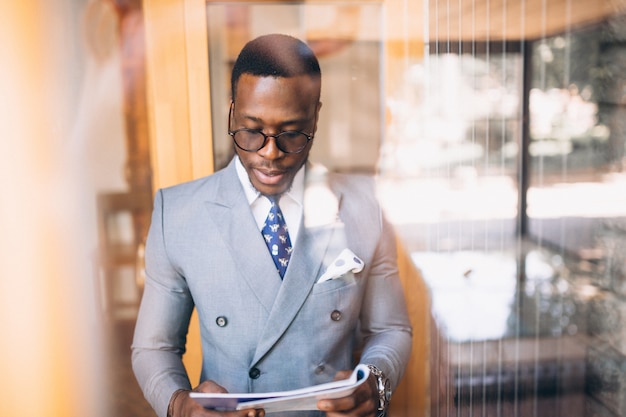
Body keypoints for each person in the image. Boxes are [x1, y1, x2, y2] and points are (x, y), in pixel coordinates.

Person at [132, 33, 412, 417]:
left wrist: (374, 382)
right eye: (251, 130)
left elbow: (390, 329)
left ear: (315, 117)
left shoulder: (366, 209)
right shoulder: (177, 213)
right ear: (232, 113)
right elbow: (154, 347)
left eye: (291, 133)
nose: (269, 152)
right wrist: (180, 405)